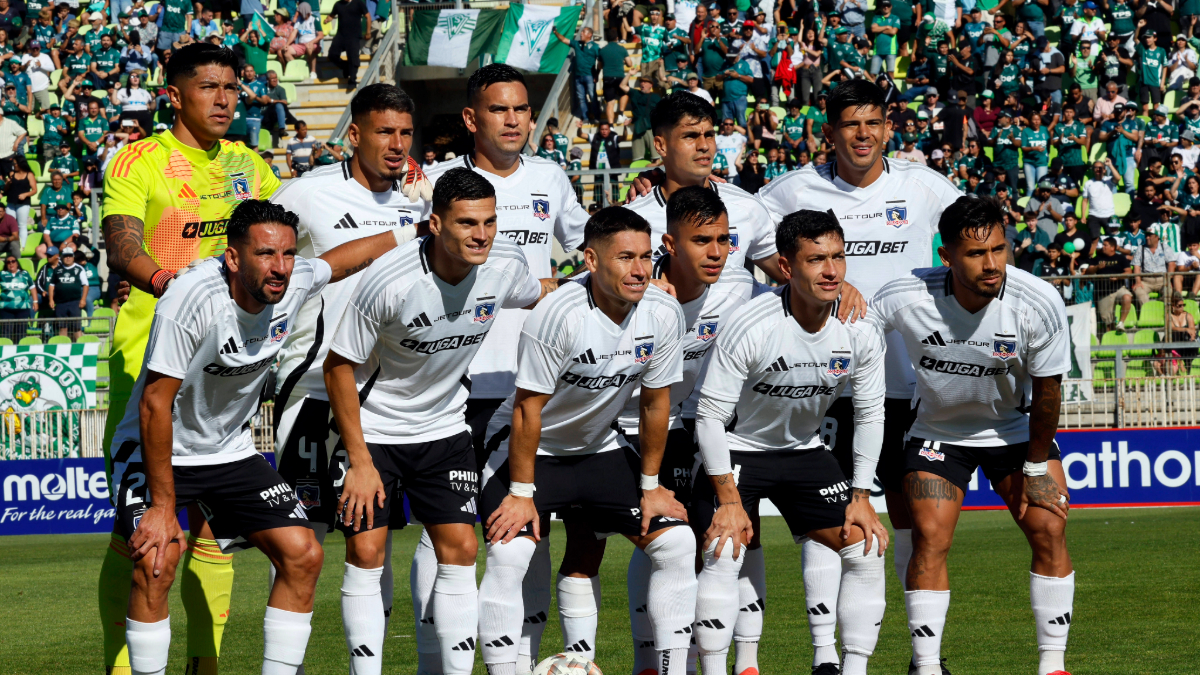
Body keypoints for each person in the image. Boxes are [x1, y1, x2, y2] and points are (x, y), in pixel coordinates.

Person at [109, 197, 399, 675]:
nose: (281, 267)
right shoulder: (192, 298)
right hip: (155, 451)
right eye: (266, 254)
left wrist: (414, 235)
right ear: (233, 257)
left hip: (230, 452)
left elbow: (338, 262)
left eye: (287, 253)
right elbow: (155, 404)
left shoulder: (292, 280)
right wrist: (162, 509)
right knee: (157, 560)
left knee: (303, 553)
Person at [755, 79, 961, 672]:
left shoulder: (926, 189)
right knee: (831, 520)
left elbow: (972, 242)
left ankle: (926, 659)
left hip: (907, 384)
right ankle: (827, 657)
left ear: (889, 127)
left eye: (874, 123)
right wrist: (812, 275)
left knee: (912, 519)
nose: (863, 134)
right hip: (822, 387)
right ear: (830, 131)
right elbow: (749, 240)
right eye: (851, 124)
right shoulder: (792, 189)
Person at [96, 44, 282, 675]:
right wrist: (167, 283)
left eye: (233, 88)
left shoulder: (250, 166)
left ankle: (206, 664)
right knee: (144, 537)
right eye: (209, 87)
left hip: (224, 372)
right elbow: (121, 245)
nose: (225, 99)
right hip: (149, 362)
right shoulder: (139, 159)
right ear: (175, 95)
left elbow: (293, 234)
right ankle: (121, 666)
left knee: (210, 533)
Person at [325, 168, 549, 675]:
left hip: (445, 428)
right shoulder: (389, 280)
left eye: (490, 222)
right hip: (376, 431)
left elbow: (540, 290)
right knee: (366, 550)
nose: (482, 234)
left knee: (462, 547)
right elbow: (338, 367)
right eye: (468, 223)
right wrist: (358, 460)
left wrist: (602, 283)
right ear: (435, 224)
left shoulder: (503, 265)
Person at [476, 206, 697, 675]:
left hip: (598, 448)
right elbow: (525, 409)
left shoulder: (662, 312)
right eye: (625, 258)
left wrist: (652, 484)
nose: (640, 270)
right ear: (592, 261)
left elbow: (657, 404)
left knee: (676, 544)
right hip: (530, 449)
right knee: (511, 551)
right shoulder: (557, 315)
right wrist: (520, 494)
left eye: (645, 257)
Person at [419, 63, 589, 672]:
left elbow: (587, 253)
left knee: (527, 529)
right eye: (499, 109)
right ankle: (432, 663)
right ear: (471, 118)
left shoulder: (551, 177)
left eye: (521, 108)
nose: (514, 119)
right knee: (444, 535)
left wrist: (556, 285)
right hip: (453, 385)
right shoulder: (436, 182)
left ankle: (525, 663)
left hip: (531, 387)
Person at [867, 195, 1074, 675]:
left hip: (1014, 431)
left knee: (1050, 528)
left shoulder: (1037, 301)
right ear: (946, 256)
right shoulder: (906, 296)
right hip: (936, 431)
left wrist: (1037, 467)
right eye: (977, 253)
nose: (992, 264)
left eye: (999, 249)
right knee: (930, 537)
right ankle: (926, 665)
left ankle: (1053, 664)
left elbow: (1048, 396)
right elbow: (857, 331)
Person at [269, 84, 427, 672]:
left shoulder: (424, 198)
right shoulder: (308, 195)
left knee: (376, 546)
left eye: (405, 133)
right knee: (297, 548)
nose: (397, 145)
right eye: (384, 132)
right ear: (354, 134)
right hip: (313, 387)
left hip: (394, 397)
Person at [693, 209, 889, 675]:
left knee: (865, 542)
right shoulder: (751, 324)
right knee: (725, 547)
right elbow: (709, 418)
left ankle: (849, 669)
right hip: (738, 448)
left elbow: (871, 413)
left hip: (804, 449)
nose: (831, 271)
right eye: (816, 259)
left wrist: (861, 497)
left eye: (838, 258)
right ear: (785, 267)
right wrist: (728, 498)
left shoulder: (860, 329)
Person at [1088, 236, 1136, 330]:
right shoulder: (1098, 258)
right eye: (1103, 245)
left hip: (1118, 288)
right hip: (1104, 291)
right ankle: (1110, 339)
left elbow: (1129, 272)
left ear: (1112, 247)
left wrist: (1118, 277)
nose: (1103, 247)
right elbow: (1088, 271)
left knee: (1127, 297)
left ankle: (1121, 322)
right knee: (1107, 322)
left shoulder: (1120, 258)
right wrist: (1097, 267)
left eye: (1105, 245)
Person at [554, 25, 600, 122]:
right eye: (581, 32)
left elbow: (600, 61)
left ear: (589, 35)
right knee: (581, 98)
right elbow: (564, 40)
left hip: (590, 76)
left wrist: (597, 74)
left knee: (592, 96)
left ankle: (596, 116)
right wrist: (555, 32)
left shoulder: (595, 47)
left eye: (583, 32)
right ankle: (586, 118)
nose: (581, 34)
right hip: (578, 76)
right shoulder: (577, 44)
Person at [323, 0, 369, 90]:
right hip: (341, 35)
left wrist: (368, 32)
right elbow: (332, 15)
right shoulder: (338, 4)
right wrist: (327, 19)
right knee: (332, 55)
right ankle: (345, 67)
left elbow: (368, 16)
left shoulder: (358, 3)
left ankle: (352, 81)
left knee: (353, 57)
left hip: (354, 35)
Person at [47, 246, 87, 338]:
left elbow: (85, 285)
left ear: (73, 257)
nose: (68, 258)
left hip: (75, 302)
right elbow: (51, 285)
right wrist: (51, 300)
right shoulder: (57, 270)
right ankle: (62, 349)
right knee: (62, 328)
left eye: (69, 256)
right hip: (61, 303)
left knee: (77, 327)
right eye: (65, 256)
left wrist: (83, 299)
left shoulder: (79, 269)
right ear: (61, 257)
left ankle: (79, 348)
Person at [1132, 228, 1176, 302]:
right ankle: (1147, 313)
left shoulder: (1165, 247)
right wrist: (1138, 282)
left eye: (1149, 235)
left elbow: (1171, 264)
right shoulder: (1140, 248)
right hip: (1146, 281)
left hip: (1162, 280)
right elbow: (1136, 266)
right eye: (1146, 235)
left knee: (1168, 292)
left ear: (1157, 237)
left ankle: (1162, 311)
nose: (1147, 237)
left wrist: (1168, 280)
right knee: (1139, 292)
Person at [0, 253, 34, 342]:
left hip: (23, 307)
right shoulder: (2, 274)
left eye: (13, 261)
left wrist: (36, 301)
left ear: (17, 263)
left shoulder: (25, 274)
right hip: (6, 308)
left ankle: (20, 351)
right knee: (6, 332)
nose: (11, 263)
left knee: (21, 332)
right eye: (8, 262)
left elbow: (32, 288)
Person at [870, 0, 900, 76]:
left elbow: (893, 32)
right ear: (881, 7)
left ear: (891, 7)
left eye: (888, 6)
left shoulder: (895, 18)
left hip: (891, 50)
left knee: (890, 73)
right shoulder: (876, 17)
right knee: (873, 74)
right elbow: (873, 29)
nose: (886, 7)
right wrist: (886, 27)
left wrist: (879, 29)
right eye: (884, 6)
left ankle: (891, 87)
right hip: (877, 50)